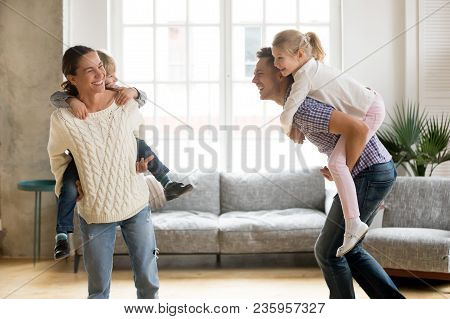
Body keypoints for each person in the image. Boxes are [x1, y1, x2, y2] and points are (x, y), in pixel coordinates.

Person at [252, 47, 405, 299]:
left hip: (370, 171)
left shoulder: (301, 107)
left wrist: (344, 169)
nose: (253, 80)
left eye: (259, 73)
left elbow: (357, 129)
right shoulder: (297, 104)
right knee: (347, 250)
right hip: (372, 171)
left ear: (280, 74)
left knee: (328, 251)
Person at [49, 50, 192, 260]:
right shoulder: (68, 104)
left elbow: (141, 99)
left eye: (105, 71)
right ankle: (61, 234)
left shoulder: (117, 96)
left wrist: (133, 90)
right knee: (68, 187)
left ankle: (167, 183)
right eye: (99, 73)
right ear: (75, 78)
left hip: (122, 172)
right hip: (82, 162)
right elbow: (56, 97)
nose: (108, 78)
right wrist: (72, 101)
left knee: (141, 144)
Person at [48, 45, 159, 298]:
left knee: (148, 282)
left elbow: (138, 139)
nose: (100, 74)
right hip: (95, 209)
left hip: (135, 202)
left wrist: (141, 162)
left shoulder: (125, 104)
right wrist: (66, 184)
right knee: (98, 289)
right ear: (72, 78)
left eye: (100, 66)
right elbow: (57, 156)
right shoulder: (62, 119)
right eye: (90, 70)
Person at [272, 29, 386, 257]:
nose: (276, 64)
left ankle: (354, 223)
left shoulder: (305, 75)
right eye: (274, 59)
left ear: (300, 54)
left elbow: (288, 112)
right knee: (338, 163)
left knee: (337, 165)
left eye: (280, 58)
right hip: (369, 105)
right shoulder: (311, 67)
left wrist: (289, 129)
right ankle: (365, 208)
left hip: (370, 111)